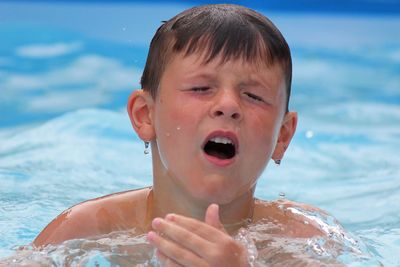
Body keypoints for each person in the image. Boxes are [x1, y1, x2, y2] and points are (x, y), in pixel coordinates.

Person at [33, 4, 326, 266]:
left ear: (282, 136)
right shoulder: (89, 229)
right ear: (145, 115)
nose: (228, 106)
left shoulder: (299, 239)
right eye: (200, 88)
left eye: (253, 95)